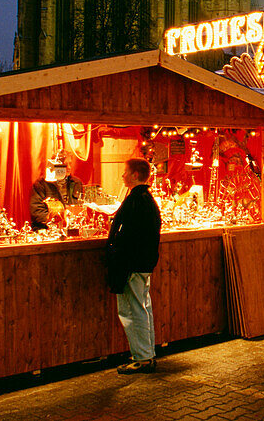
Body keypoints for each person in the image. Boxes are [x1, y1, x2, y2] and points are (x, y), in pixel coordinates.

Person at [105, 158, 162, 374]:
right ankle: (147, 354)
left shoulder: (135, 201)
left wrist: (115, 254)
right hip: (143, 263)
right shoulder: (147, 200)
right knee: (143, 307)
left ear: (135, 175)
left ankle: (142, 358)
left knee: (132, 310)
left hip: (131, 264)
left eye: (125, 172)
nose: (122, 176)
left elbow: (127, 235)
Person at [29, 161, 84, 231]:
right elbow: (37, 213)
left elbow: (81, 207)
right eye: (65, 165)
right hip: (47, 231)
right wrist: (61, 219)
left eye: (70, 164)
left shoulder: (77, 182)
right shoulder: (41, 184)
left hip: (73, 229)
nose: (69, 168)